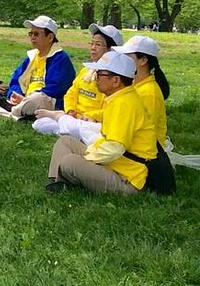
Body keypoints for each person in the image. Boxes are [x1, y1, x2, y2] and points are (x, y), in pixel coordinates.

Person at [45, 51, 159, 195]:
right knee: (66, 142)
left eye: (99, 74)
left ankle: (65, 177)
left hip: (126, 177)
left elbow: (114, 149)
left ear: (116, 80)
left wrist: (87, 157)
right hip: (117, 163)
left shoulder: (124, 104)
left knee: (69, 162)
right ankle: (58, 182)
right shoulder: (119, 98)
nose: (95, 78)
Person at [32, 23, 122, 136]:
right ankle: (68, 125)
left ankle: (65, 125)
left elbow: (111, 109)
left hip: (92, 121)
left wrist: (90, 116)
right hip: (75, 117)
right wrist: (70, 110)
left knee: (96, 130)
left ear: (111, 50)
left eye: (98, 44)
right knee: (39, 123)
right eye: (92, 43)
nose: (93, 48)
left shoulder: (115, 78)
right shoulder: (86, 70)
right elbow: (71, 93)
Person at [0, 15, 75, 120]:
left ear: (50, 37)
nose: (32, 37)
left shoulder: (60, 58)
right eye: (31, 33)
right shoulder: (32, 57)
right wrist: (14, 94)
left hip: (46, 100)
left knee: (36, 99)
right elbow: (16, 80)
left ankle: (13, 110)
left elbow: (55, 89)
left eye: (36, 34)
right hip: (25, 99)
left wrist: (26, 98)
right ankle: (22, 115)